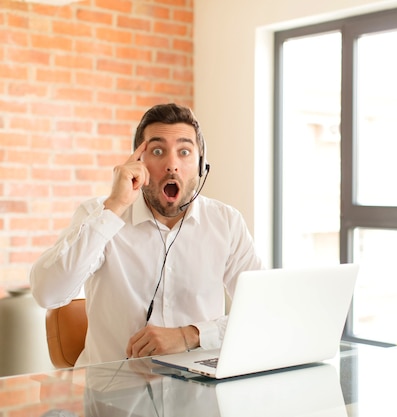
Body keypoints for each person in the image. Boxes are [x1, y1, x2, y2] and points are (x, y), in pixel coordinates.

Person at [30, 103, 263, 367]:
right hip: (113, 398)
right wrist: (115, 206)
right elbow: (47, 293)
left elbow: (263, 310)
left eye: (184, 152)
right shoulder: (100, 214)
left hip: (197, 397)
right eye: (157, 151)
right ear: (138, 161)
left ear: (200, 165)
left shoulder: (226, 222)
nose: (172, 165)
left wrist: (192, 335)